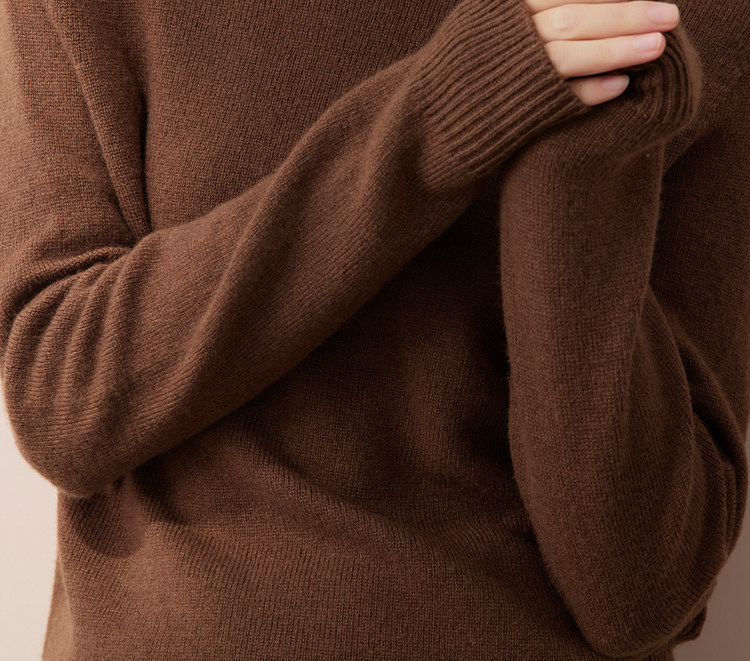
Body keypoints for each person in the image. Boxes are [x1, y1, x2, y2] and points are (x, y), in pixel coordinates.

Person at [0, 0, 747, 658]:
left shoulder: (688, 20)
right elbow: (62, 399)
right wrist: (448, 110)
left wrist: (574, 162)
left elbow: (640, 592)